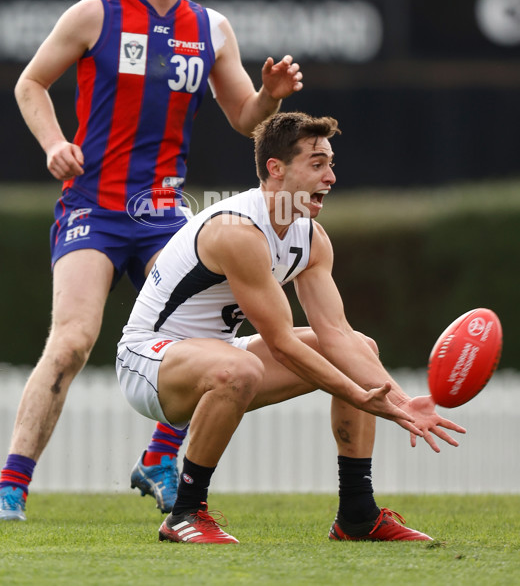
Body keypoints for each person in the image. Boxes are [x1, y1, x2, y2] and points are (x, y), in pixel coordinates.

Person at [0, 0, 303, 521]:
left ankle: (159, 458)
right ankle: (11, 488)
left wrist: (268, 97)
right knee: (73, 340)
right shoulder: (94, 16)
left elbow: (245, 119)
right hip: (94, 207)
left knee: (215, 330)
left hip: (161, 212)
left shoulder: (209, 28)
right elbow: (30, 83)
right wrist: (54, 143)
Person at [116, 111, 466, 544]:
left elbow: (336, 334)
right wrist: (357, 394)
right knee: (240, 370)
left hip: (215, 355)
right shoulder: (237, 231)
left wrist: (399, 400)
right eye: (317, 164)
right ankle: (185, 513)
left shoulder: (311, 238)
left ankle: (357, 514)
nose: (331, 177)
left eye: (331, 164)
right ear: (275, 170)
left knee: (360, 349)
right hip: (147, 362)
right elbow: (281, 344)